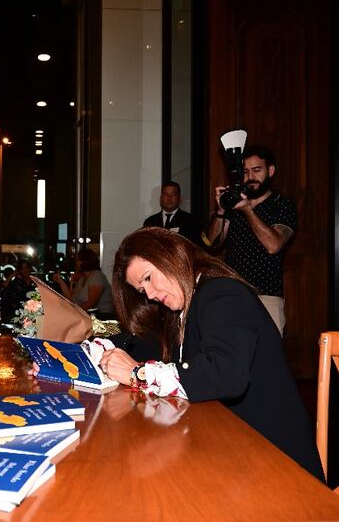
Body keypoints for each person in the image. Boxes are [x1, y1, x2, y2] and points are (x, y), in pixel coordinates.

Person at [99, 227, 323, 480]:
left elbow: (225, 374)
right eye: (141, 290)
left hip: (275, 461)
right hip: (229, 447)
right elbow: (143, 342)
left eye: (149, 278)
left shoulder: (223, 293)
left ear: (171, 255)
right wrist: (94, 348)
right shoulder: (182, 308)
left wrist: (137, 374)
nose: (150, 295)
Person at [202, 145, 296, 335]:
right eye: (245, 171)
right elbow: (211, 243)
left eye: (256, 170)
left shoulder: (282, 205)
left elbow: (274, 245)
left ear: (270, 171)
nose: (250, 177)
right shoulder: (234, 204)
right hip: (232, 295)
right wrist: (220, 211)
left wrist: (247, 210)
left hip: (267, 297)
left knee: (267, 360)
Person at [52, 249, 115, 320]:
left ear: (84, 261)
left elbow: (92, 303)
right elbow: (71, 298)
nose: (76, 263)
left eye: (78, 260)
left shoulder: (97, 276)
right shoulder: (82, 279)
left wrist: (74, 311)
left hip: (102, 318)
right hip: (89, 316)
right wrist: (60, 282)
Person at [143, 181, 201, 245]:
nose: (169, 198)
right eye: (166, 194)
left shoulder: (191, 220)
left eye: (173, 194)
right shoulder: (150, 222)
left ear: (180, 198)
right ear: (160, 198)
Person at [0, 259, 35, 324]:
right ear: (19, 270)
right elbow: (2, 291)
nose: (25, 270)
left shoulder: (34, 282)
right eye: (22, 268)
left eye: (26, 267)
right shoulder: (16, 282)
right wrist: (11, 276)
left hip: (33, 315)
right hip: (18, 316)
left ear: (30, 268)